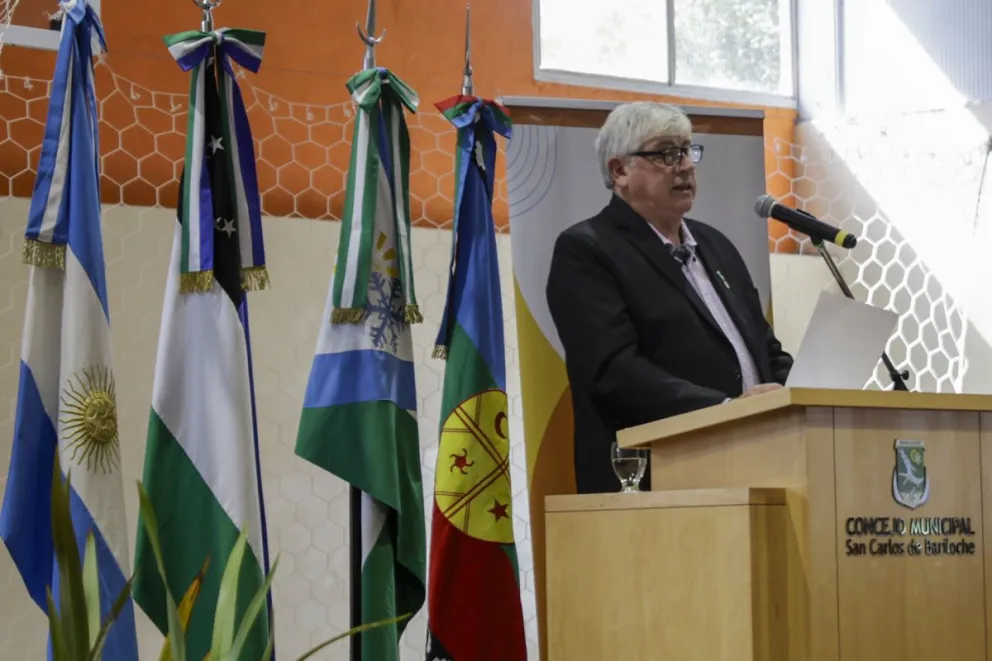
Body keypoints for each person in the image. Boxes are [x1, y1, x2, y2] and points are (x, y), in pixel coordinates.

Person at [545, 101, 794, 495]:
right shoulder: (587, 250)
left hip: (753, 465)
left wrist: (804, 393)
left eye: (687, 150)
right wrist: (726, 411)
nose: (684, 165)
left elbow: (764, 351)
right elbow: (613, 372)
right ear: (619, 170)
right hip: (654, 479)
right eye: (665, 153)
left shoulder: (717, 246)